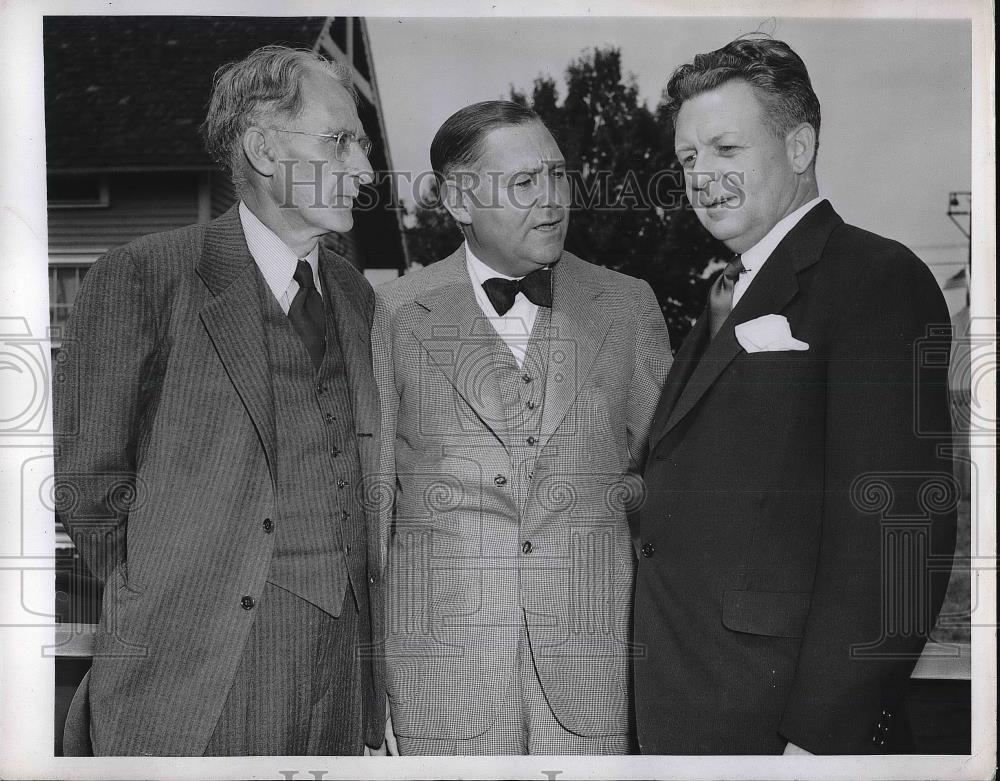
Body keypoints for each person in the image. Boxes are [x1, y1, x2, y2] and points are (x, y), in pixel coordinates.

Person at [55, 45, 385, 756]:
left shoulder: (359, 298)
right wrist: (171, 596)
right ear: (264, 148)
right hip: (196, 678)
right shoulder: (146, 276)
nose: (364, 169)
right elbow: (87, 486)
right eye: (340, 141)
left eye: (361, 145)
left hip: (338, 677)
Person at [633, 35, 956, 755]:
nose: (701, 176)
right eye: (688, 158)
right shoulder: (724, 291)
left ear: (801, 145)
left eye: (725, 148)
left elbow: (900, 536)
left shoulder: (875, 276)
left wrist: (820, 742)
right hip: (691, 715)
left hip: (783, 734)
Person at [373, 100, 672, 755]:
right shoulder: (390, 314)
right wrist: (376, 703)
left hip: (598, 687)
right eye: (524, 183)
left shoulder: (626, 306)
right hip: (442, 690)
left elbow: (670, 496)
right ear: (458, 199)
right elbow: (370, 519)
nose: (552, 199)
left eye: (558, 176)